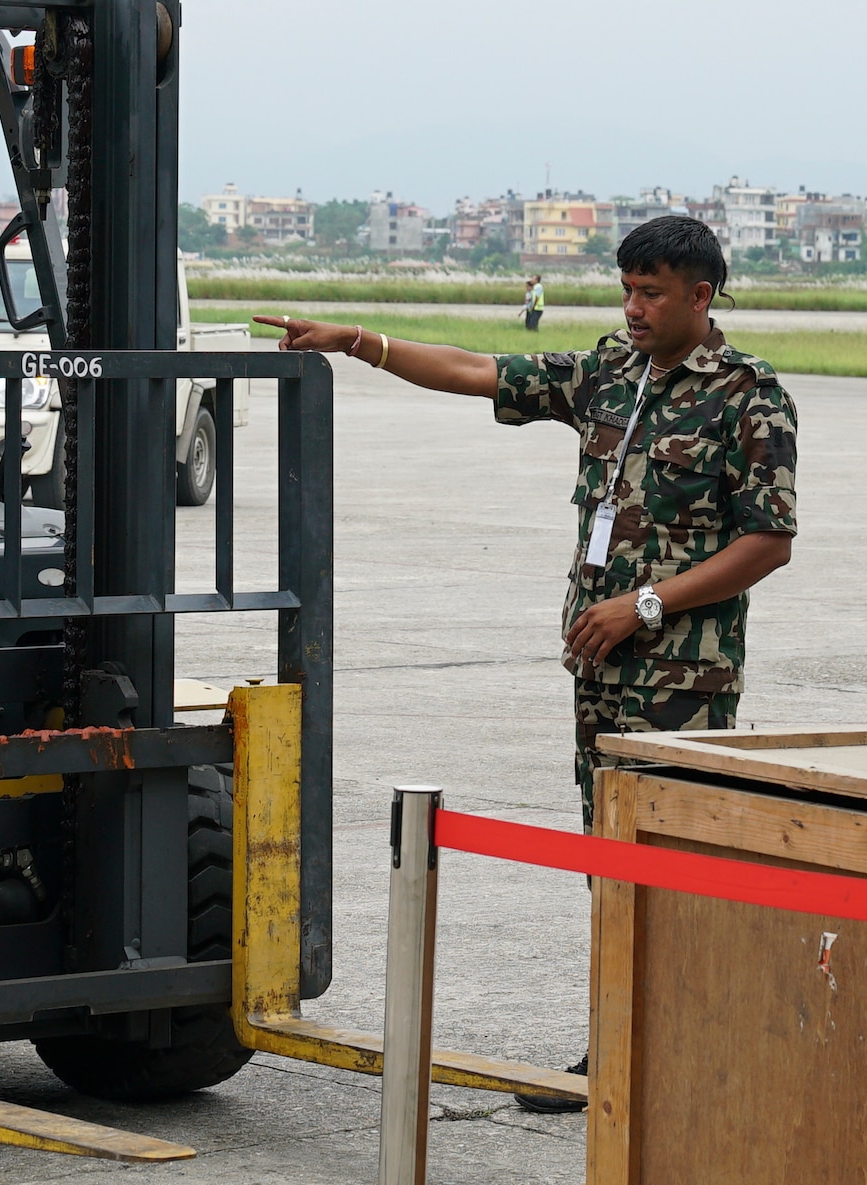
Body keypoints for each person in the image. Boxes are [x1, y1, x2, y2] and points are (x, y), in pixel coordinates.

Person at [255, 214, 797, 1110]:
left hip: (681, 677)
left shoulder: (748, 397)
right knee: (607, 857)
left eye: (652, 292)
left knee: (657, 859)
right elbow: (480, 372)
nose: (633, 307)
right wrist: (357, 341)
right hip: (600, 668)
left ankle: (672, 1049)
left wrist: (645, 603)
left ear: (702, 296)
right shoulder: (608, 376)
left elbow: (768, 541)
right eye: (626, 288)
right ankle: (624, 1043)